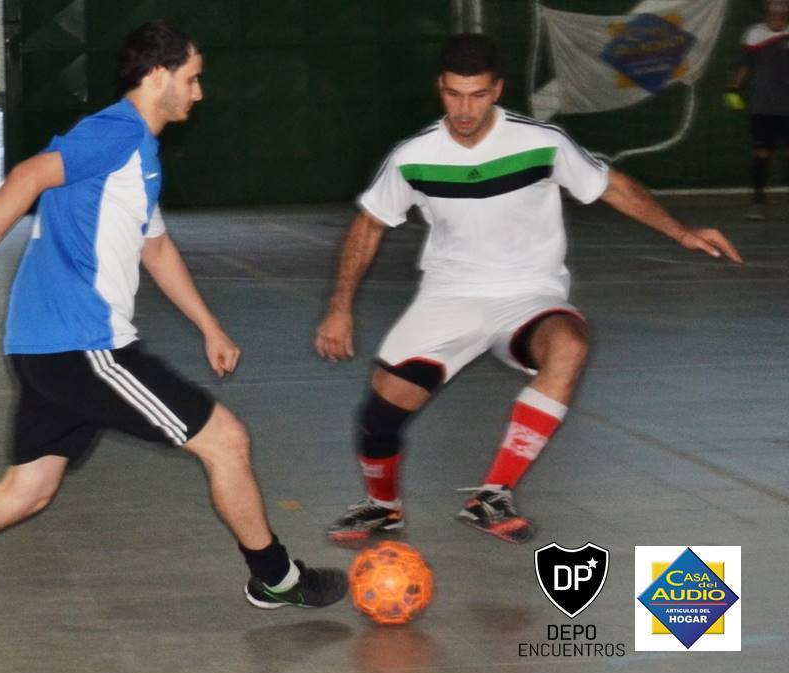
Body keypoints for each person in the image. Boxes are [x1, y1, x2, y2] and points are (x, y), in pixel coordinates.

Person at [0, 20, 346, 632]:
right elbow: (27, 177)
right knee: (227, 440)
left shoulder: (139, 154)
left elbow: (155, 247)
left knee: (27, 491)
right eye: (193, 79)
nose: (199, 92)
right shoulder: (116, 132)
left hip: (46, 346)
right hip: (83, 345)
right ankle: (277, 578)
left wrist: (209, 327)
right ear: (158, 76)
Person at [316, 33, 742, 544]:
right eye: (453, 94)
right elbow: (369, 225)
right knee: (380, 415)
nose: (464, 109)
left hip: (529, 294)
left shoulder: (542, 142)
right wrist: (339, 308)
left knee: (569, 344)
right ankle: (382, 507)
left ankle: (493, 495)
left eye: (477, 95)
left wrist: (682, 232)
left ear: (497, 89)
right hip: (450, 296)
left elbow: (611, 186)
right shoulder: (415, 155)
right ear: (440, 88)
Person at [726, 0, 789, 220]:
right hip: (764, 106)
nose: (778, 9)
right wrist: (733, 88)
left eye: (783, 5)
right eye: (774, 5)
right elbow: (745, 65)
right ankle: (758, 203)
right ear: (767, 7)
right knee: (762, 153)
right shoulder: (754, 33)